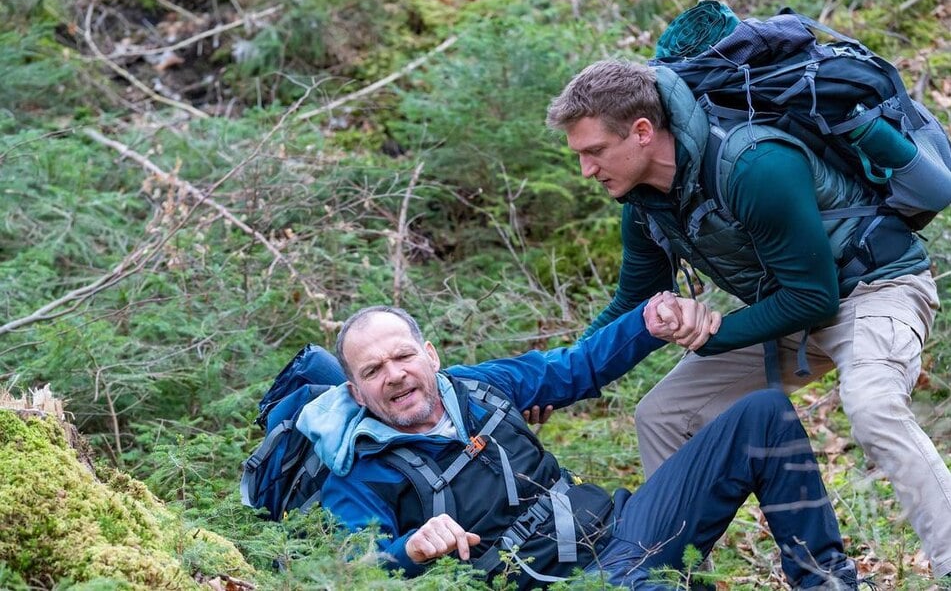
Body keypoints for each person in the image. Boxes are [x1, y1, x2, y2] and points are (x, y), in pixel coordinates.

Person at [545, 58, 948, 578]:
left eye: (595, 152)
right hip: (792, 309)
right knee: (663, 414)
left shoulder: (754, 165)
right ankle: (677, 577)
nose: (587, 170)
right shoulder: (646, 205)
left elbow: (816, 300)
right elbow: (632, 302)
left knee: (872, 403)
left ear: (642, 132)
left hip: (875, 289)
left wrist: (713, 335)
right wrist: (557, 382)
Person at [296, 299, 858, 590]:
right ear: (356, 390)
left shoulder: (479, 387)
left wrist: (646, 322)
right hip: (557, 583)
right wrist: (411, 550)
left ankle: (826, 583)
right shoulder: (356, 468)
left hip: (627, 527)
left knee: (761, 412)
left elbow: (577, 368)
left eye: (402, 356)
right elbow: (357, 571)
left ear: (431, 355)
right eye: (373, 370)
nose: (393, 375)